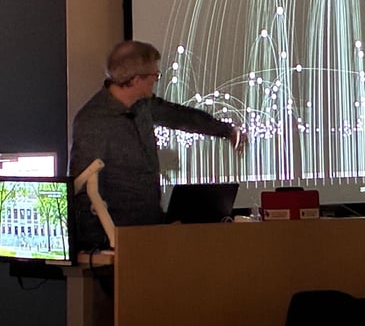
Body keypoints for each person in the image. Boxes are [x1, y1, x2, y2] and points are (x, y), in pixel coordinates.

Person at [69, 40, 244, 249]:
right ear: (135, 79)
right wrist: (97, 246)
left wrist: (227, 131)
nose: (156, 80)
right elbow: (82, 186)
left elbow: (179, 116)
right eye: (154, 75)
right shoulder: (92, 121)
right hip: (113, 242)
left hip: (149, 230)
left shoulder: (143, 106)